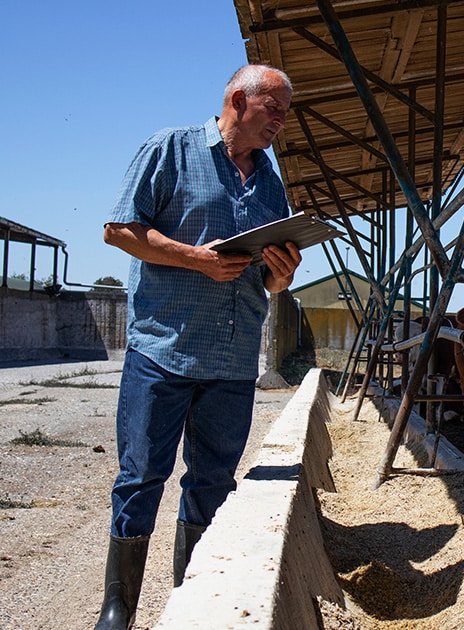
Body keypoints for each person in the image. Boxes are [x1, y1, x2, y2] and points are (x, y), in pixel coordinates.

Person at [94, 64, 302, 630]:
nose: (282, 122)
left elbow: (265, 277)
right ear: (239, 98)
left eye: (286, 112)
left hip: (233, 362)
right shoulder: (171, 150)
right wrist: (195, 258)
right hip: (163, 350)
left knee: (212, 482)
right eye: (275, 109)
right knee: (141, 477)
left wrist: (280, 276)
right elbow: (119, 230)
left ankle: (192, 603)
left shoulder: (270, 181)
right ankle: (119, 609)